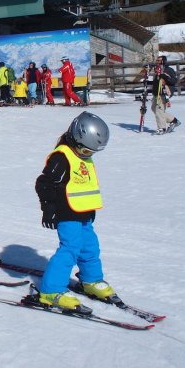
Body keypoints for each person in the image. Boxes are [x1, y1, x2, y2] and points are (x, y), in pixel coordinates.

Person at [32, 111, 114, 312]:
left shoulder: (80, 154)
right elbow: (44, 184)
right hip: (66, 213)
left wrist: (90, 207)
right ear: (75, 138)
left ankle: (91, 280)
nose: (88, 155)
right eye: (85, 151)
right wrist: (48, 208)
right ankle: (51, 290)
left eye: (92, 152)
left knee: (90, 247)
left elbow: (83, 185)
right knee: (70, 248)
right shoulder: (62, 157)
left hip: (83, 213)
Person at [151, 55, 181, 135]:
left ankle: (161, 128)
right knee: (154, 108)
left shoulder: (168, 70)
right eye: (157, 60)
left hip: (165, 92)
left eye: (159, 60)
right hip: (157, 92)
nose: (158, 62)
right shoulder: (157, 70)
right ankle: (173, 120)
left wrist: (166, 77)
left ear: (163, 61)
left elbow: (174, 80)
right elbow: (156, 82)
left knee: (158, 109)